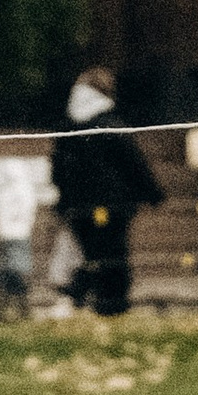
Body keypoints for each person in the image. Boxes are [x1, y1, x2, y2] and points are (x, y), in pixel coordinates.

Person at [55, 72, 158, 316]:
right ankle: (111, 303)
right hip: (114, 204)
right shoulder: (110, 124)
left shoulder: (70, 127)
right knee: (112, 254)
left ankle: (83, 298)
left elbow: (59, 169)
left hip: (80, 206)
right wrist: (151, 193)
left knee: (90, 254)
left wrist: (64, 203)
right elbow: (132, 163)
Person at [0, 148, 49, 312]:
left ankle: (18, 300)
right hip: (9, 233)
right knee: (8, 267)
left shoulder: (20, 190)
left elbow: (20, 212)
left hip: (17, 233)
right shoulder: (14, 189)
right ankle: (9, 301)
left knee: (16, 268)